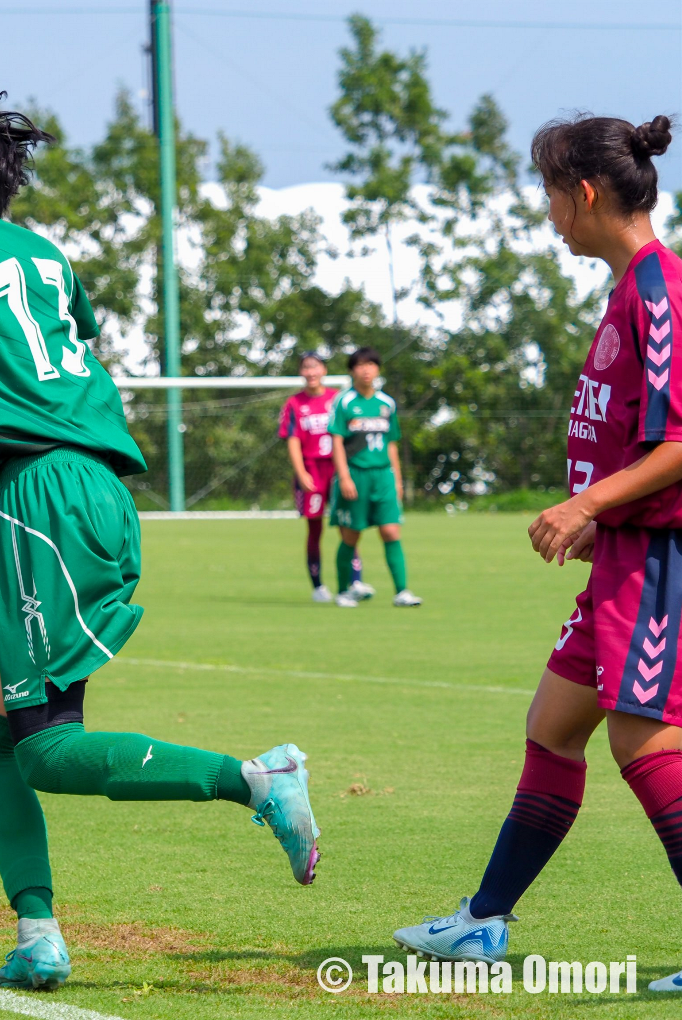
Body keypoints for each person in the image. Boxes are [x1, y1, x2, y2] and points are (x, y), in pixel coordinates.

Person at [0, 96, 321, 992]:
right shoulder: (43, 253)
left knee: (44, 746)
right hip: (93, 490)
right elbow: (73, 345)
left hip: (46, 499)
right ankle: (38, 935)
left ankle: (257, 780)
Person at [392, 114, 682, 991]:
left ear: (584, 193)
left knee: (644, 742)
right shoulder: (626, 287)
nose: (548, 214)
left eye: (551, 195)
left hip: (656, 563)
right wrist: (604, 512)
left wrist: (589, 500)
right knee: (554, 728)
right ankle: (482, 923)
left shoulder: (660, 289)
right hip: (621, 551)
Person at [328, 348, 421, 608]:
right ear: (352, 370)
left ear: (378, 369)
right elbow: (336, 441)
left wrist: (398, 480)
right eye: (360, 365)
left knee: (391, 531)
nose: (366, 369)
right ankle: (343, 591)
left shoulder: (386, 403)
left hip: (383, 476)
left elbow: (392, 444)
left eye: (371, 364)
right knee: (351, 536)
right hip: (355, 475)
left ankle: (402, 592)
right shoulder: (344, 402)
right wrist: (344, 477)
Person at [278, 351, 368, 601]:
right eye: (306, 368)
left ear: (324, 370)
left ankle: (356, 581)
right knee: (315, 528)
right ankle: (318, 586)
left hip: (337, 469)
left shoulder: (338, 400)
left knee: (347, 524)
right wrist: (301, 472)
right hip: (312, 470)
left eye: (315, 367)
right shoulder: (294, 404)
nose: (310, 372)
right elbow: (292, 440)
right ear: (301, 372)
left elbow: (352, 434)